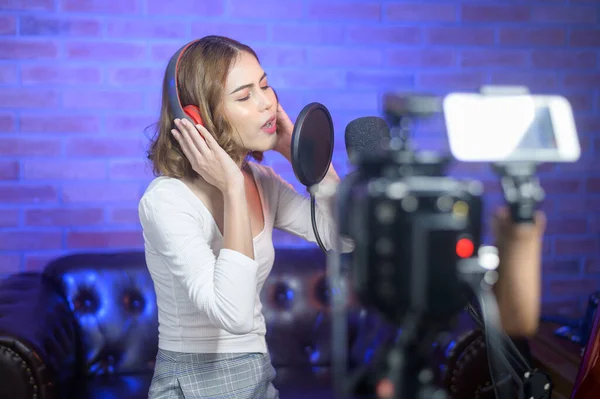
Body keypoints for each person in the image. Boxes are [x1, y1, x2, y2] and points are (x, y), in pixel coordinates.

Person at [138, 36, 345, 399]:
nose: (268, 103)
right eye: (245, 95)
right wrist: (232, 188)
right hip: (192, 385)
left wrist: (306, 154)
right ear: (198, 119)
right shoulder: (167, 201)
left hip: (258, 377)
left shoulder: (262, 182)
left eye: (265, 86)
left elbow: (341, 235)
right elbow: (232, 314)